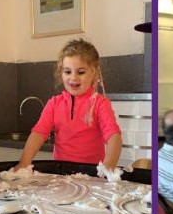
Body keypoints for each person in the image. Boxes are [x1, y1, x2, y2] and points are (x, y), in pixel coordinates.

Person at [15, 38, 122, 172]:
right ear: (61, 72)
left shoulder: (100, 104)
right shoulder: (54, 103)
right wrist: (24, 162)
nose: (73, 78)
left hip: (92, 175)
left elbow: (113, 136)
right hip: (61, 174)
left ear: (94, 72)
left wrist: (109, 165)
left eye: (81, 72)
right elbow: (39, 133)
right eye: (67, 72)